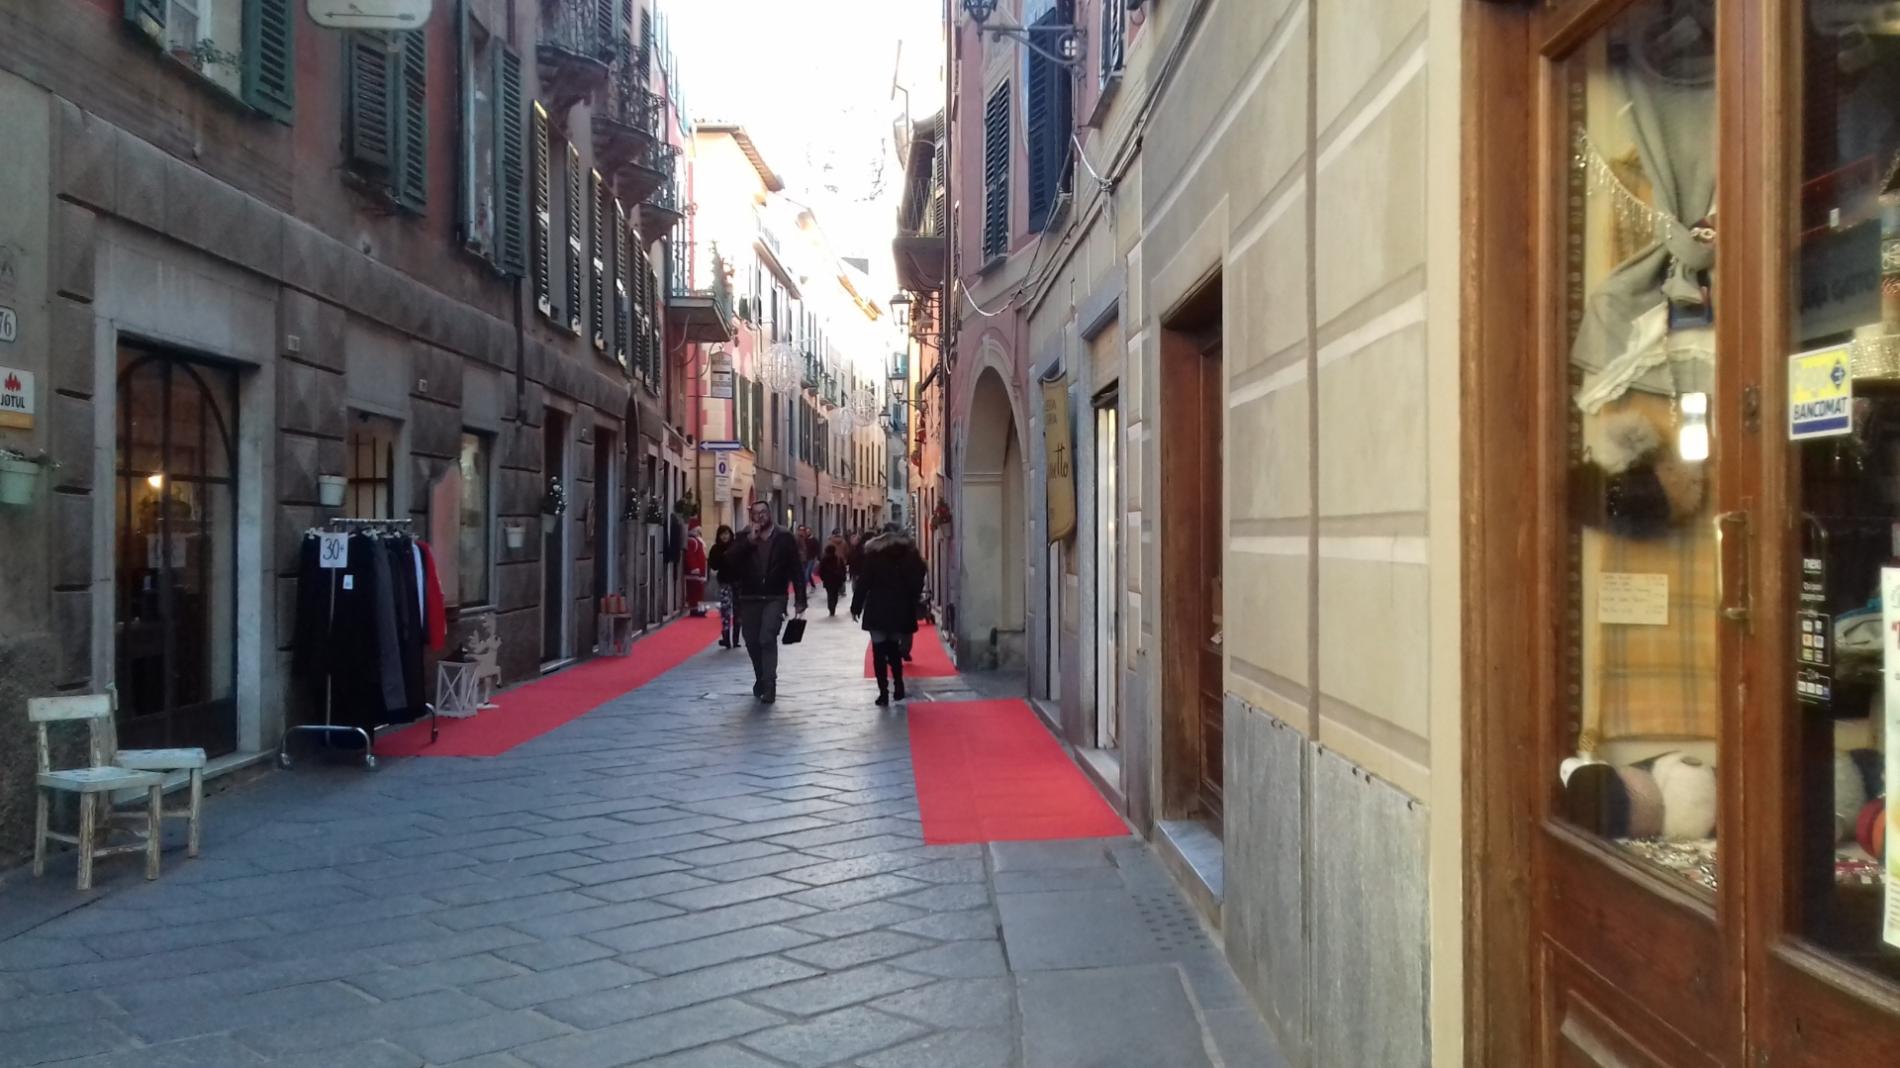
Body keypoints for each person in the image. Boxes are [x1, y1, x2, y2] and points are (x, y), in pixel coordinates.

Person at [724, 500, 806, 703]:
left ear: (770, 514)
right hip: (749, 596)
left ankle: (770, 684)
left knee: (767, 638)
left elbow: (796, 568)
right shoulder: (743, 536)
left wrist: (800, 599)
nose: (760, 516)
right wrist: (748, 542)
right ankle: (760, 677)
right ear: (751, 516)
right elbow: (728, 562)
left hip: (775, 596)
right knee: (751, 641)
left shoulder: (784, 537)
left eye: (763, 512)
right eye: (756, 513)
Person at [852, 523, 927, 706]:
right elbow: (919, 576)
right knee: (894, 649)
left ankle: (883, 692)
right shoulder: (908, 554)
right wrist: (913, 595)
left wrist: (856, 606)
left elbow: (864, 582)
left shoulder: (873, 555)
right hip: (899, 608)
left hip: (877, 608)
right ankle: (899, 686)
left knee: (878, 651)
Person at [707, 524, 738, 647]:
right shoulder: (716, 549)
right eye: (722, 534)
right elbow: (713, 564)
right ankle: (726, 637)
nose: (725, 536)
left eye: (727, 534)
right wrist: (722, 558)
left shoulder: (736, 547)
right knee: (725, 610)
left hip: (737, 582)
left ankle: (735, 638)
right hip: (724, 582)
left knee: (737, 610)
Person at [682, 521, 708, 618]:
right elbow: (690, 556)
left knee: (699, 592)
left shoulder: (696, 540)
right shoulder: (692, 541)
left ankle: (698, 609)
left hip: (699, 573)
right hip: (694, 574)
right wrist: (693, 568)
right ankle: (695, 609)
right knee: (694, 593)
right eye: (697, 529)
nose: (699, 530)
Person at [818, 544, 848, 617]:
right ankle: (833, 606)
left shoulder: (824, 559)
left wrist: (823, 578)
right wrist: (843, 577)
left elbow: (820, 570)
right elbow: (843, 569)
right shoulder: (838, 558)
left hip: (828, 580)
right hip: (837, 580)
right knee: (835, 594)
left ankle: (831, 607)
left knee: (830, 594)